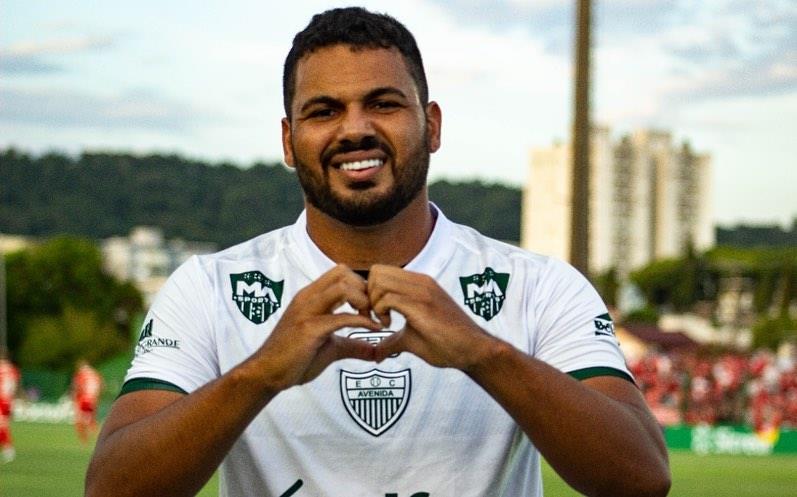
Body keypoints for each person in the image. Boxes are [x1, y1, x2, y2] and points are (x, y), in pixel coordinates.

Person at [86, 7, 670, 497]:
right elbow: (111, 486)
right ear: (289, 141)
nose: (355, 129)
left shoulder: (537, 285)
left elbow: (642, 476)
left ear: (432, 125)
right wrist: (259, 374)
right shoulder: (209, 287)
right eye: (324, 111)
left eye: (384, 103)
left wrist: (483, 353)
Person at [71, 360, 103, 444]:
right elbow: (101, 385)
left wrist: (74, 396)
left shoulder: (81, 375)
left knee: (80, 420)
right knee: (90, 421)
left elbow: (77, 387)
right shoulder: (95, 374)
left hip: (83, 399)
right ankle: (101, 437)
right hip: (92, 399)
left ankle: (84, 440)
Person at [0, 352, 20, 463]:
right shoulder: (13, 370)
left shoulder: (2, 369)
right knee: (4, 425)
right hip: (8, 401)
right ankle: (8, 449)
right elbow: (15, 386)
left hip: (1, 400)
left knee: (2, 426)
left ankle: (8, 449)